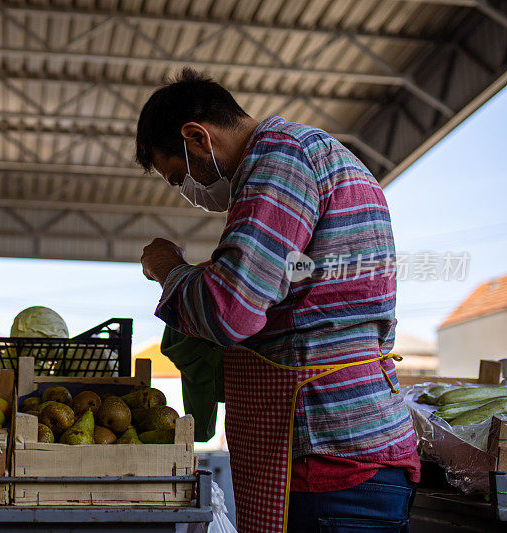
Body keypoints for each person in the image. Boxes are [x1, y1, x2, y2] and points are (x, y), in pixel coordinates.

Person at [136, 69, 419, 533]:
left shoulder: (281, 159)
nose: (189, 192)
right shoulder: (316, 154)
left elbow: (230, 311)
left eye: (178, 176)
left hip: (328, 460)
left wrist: (169, 268)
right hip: (348, 456)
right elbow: (299, 286)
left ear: (197, 137)